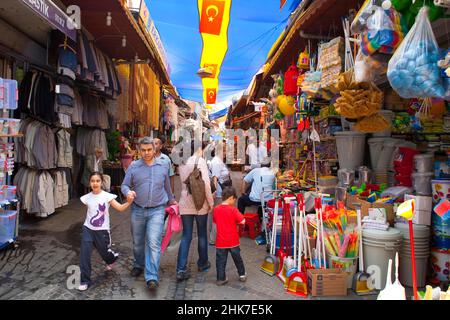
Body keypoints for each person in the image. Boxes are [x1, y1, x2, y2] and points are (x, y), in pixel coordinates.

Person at [121, 137, 177, 292]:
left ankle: (151, 276)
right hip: (138, 209)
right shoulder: (133, 166)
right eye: (143, 150)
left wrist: (172, 201)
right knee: (138, 242)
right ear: (139, 150)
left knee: (153, 242)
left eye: (149, 150)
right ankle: (138, 264)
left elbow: (167, 186)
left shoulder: (163, 165)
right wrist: (128, 192)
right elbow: (124, 185)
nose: (146, 153)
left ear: (154, 149)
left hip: (157, 210)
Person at [78, 172, 133, 291]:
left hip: (102, 231)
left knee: (104, 253)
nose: (95, 183)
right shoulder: (86, 198)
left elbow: (119, 208)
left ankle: (111, 259)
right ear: (90, 183)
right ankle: (84, 280)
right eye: (93, 181)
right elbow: (90, 212)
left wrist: (128, 202)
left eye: (97, 181)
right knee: (84, 255)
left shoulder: (107, 196)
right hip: (88, 229)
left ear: (102, 182)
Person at [176, 141, 214, 282]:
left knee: (186, 235)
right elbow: (206, 186)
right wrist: (211, 203)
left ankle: (180, 269)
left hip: (185, 201)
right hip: (200, 203)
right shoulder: (200, 161)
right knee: (202, 233)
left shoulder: (181, 163)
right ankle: (203, 263)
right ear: (198, 149)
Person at [213, 186, 246, 286]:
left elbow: (215, 221)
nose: (235, 202)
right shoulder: (233, 210)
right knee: (237, 258)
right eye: (234, 200)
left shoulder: (216, 209)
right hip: (233, 241)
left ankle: (221, 278)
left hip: (220, 241)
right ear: (231, 198)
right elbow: (243, 221)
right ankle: (242, 274)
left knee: (220, 261)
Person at [207, 146, 231, 245]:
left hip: (220, 192)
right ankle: (213, 238)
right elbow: (215, 178)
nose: (226, 153)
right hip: (219, 193)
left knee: (214, 215)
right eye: (224, 150)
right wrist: (214, 192)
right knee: (218, 216)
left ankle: (212, 236)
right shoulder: (217, 161)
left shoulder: (218, 161)